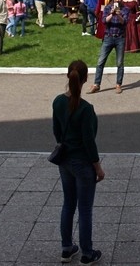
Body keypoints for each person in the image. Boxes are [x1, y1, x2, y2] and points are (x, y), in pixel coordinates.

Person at [52, 60, 105, 265]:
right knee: (85, 209)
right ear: (84, 79)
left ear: (68, 76)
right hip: (82, 163)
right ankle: (87, 252)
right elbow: (89, 142)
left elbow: (56, 132)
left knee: (68, 204)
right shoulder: (86, 109)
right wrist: (98, 167)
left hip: (64, 161)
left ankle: (67, 248)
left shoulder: (57, 102)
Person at [89, 0, 129, 94]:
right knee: (100, 61)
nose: (117, 0)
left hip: (120, 37)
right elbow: (104, 21)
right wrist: (112, 14)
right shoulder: (107, 8)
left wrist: (119, 14)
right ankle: (96, 84)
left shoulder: (125, 9)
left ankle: (118, 84)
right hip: (108, 37)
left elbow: (124, 23)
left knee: (120, 63)